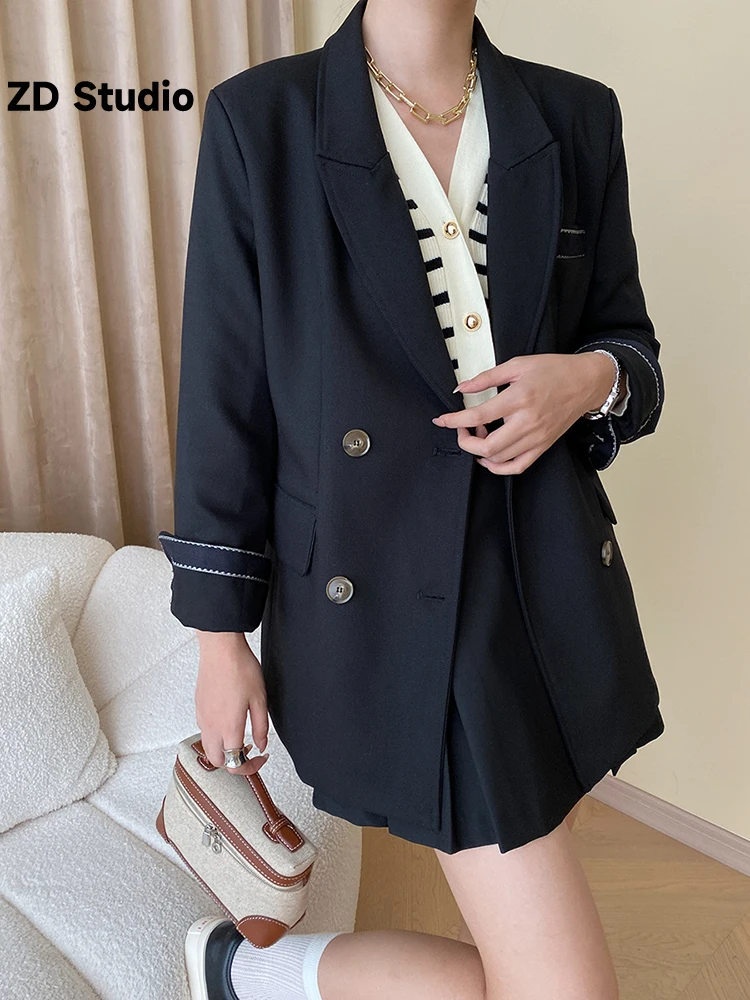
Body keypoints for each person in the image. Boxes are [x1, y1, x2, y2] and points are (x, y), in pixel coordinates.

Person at [158, 0, 666, 997]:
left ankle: (250, 975)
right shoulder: (262, 122)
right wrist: (220, 639)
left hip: (548, 582)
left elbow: (629, 346)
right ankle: (252, 976)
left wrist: (583, 380)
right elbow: (224, 401)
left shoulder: (575, 115)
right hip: (386, 593)